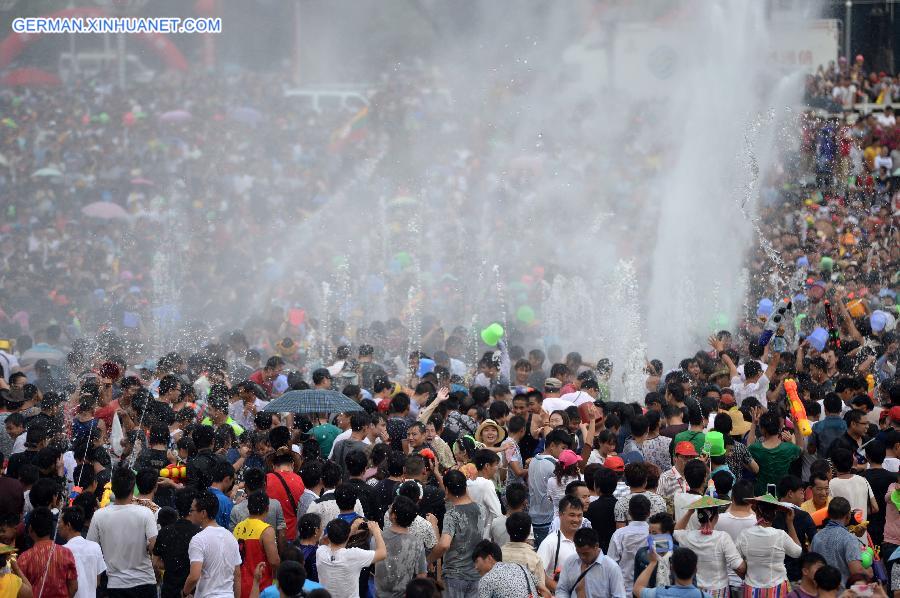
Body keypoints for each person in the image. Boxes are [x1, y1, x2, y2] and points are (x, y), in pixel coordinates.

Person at [87, 466, 158, 598]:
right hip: (145, 583)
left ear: (112, 489)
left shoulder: (99, 516)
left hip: (115, 585)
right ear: (133, 489)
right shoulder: (145, 513)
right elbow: (155, 547)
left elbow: (91, 550)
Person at [673, 496, 745, 597]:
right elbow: (739, 566)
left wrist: (689, 512)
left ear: (699, 518)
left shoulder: (688, 537)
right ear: (716, 517)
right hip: (718, 590)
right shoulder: (722, 537)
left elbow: (676, 531)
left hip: (696, 591)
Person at [429, 469, 485, 598]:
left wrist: (428, 559)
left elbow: (444, 545)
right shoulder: (480, 509)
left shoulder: (452, 514)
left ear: (447, 490)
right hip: (476, 573)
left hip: (455, 576)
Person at [736, 494, 802, 596]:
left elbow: (735, 563)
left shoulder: (744, 535)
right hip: (777, 588)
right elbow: (797, 552)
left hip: (752, 589)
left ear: (757, 513)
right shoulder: (780, 535)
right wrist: (790, 523)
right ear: (774, 514)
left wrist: (745, 575)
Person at [183, 489, 243, 598]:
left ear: (203, 513)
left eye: (192, 510)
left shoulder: (198, 539)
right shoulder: (230, 537)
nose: (190, 514)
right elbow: (237, 576)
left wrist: (184, 592)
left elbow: (194, 576)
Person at [316, 517, 386, 598]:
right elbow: (382, 553)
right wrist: (376, 531)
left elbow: (323, 542)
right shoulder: (353, 555)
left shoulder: (320, 552)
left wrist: (350, 531)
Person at [17, 506, 78, 598]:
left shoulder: (24, 558)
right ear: (52, 528)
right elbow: (74, 587)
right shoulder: (65, 553)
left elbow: (19, 589)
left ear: (30, 529)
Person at [809, 496, 870, 588]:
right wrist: (868, 573)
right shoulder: (849, 538)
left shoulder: (817, 537)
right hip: (843, 593)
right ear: (848, 515)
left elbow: (812, 566)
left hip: (821, 592)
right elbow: (857, 571)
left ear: (828, 515)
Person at [374, 496, 427, 598]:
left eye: (391, 507)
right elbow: (422, 575)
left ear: (393, 516)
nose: (389, 507)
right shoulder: (417, 543)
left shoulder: (378, 538)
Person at [153, 488, 202, 598]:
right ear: (193, 508)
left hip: (169, 590)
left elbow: (155, 562)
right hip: (192, 591)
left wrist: (173, 565)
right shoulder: (199, 533)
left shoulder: (165, 532)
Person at [233, 491, 280, 598]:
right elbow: (274, 561)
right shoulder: (266, 530)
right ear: (267, 508)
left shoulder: (238, 527)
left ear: (248, 507)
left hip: (239, 587)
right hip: (260, 586)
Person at [529, 429, 571, 547]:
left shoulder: (533, 460)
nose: (565, 452)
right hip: (549, 518)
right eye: (563, 448)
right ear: (552, 445)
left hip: (534, 516)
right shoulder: (555, 464)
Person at [555, 528, 626, 598]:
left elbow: (619, 595)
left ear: (596, 546)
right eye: (578, 553)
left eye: (586, 554)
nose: (582, 557)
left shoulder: (611, 568)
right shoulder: (570, 562)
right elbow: (562, 590)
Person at [536, 495, 584, 594]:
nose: (576, 519)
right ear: (560, 515)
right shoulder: (550, 542)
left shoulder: (585, 541)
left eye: (579, 515)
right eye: (572, 515)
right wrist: (562, 590)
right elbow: (539, 573)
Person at [607, 494, 652, 596]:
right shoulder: (653, 534)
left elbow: (611, 563)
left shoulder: (619, 534)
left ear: (629, 513)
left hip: (624, 589)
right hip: (648, 590)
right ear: (649, 513)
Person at [747, 411, 802, 495]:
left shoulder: (756, 448)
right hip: (782, 494)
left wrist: (754, 423)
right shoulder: (788, 448)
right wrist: (796, 425)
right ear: (779, 427)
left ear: (762, 429)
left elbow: (749, 446)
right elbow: (800, 448)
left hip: (761, 495)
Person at [230, 468, 286, 549]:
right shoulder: (275, 505)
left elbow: (233, 540)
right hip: (271, 553)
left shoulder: (237, 509)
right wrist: (281, 555)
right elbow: (282, 534)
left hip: (247, 558)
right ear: (264, 485)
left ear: (245, 486)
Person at [58, 506, 105, 598]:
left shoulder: (62, 551)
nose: (58, 526)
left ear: (68, 525)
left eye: (60, 522)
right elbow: (97, 581)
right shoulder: (95, 547)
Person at [501, 512, 550, 597]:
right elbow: (541, 590)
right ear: (528, 533)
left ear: (508, 531)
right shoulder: (534, 558)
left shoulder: (499, 553)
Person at [633, 546, 713, 598]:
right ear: (695, 570)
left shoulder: (658, 593)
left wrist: (653, 563)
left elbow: (637, 588)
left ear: (672, 569)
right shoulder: (705, 596)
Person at [471, 539, 539, 597]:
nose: (476, 567)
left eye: (477, 561)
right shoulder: (521, 567)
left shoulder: (486, 580)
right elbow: (543, 590)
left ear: (489, 558)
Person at [266, 446, 305, 542]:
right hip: (292, 534)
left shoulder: (266, 479)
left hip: (270, 536)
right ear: (292, 464)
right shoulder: (299, 480)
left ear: (273, 466)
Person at [828, 448, 878, 520]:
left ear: (833, 465)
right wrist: (860, 514)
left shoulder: (831, 484)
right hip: (862, 528)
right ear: (852, 463)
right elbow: (875, 508)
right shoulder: (863, 480)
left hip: (841, 529)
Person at [467, 448, 502, 537]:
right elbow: (497, 513)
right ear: (487, 466)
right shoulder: (486, 484)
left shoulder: (467, 481)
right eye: (495, 465)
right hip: (483, 536)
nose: (497, 468)